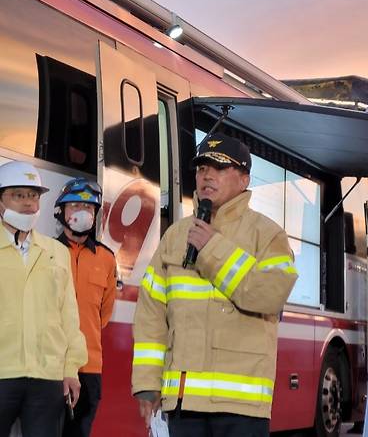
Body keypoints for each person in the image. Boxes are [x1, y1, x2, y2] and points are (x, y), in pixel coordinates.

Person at [131, 133, 298, 437]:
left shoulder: (268, 235)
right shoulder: (175, 236)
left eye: (219, 167)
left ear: (244, 179)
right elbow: (151, 316)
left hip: (241, 406)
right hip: (182, 403)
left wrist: (211, 249)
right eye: (201, 167)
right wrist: (146, 383)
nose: (207, 174)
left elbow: (268, 296)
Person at [0, 161, 87, 437]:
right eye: (18, 195)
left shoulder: (55, 252)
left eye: (34, 196)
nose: (28, 204)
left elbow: (68, 316)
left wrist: (71, 368)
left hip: (46, 378)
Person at [55, 178, 117, 437]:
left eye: (89, 208)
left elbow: (104, 314)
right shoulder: (45, 252)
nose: (83, 213)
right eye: (76, 206)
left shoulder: (106, 258)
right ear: (61, 212)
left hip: (89, 369)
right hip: (50, 367)